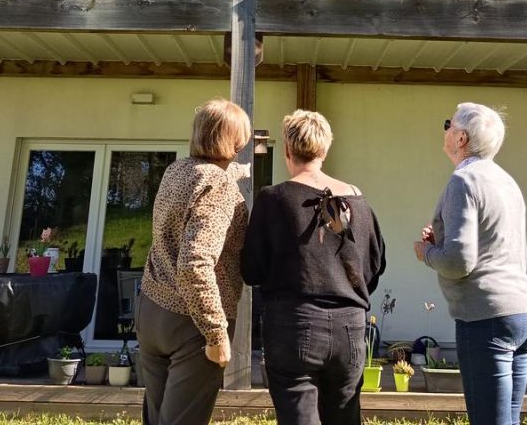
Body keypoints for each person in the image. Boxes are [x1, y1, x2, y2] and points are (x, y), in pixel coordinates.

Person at [243, 109, 386, 425]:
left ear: (287, 150)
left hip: (294, 324)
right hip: (351, 325)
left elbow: (251, 269)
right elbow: (375, 266)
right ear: (325, 149)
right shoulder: (359, 203)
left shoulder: (273, 199)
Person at [413, 103, 527, 425]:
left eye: (448, 125)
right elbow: (504, 247)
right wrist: (439, 241)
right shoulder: (507, 182)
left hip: (486, 315)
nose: (444, 130)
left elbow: (458, 262)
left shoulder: (464, 181)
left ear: (461, 138)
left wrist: (424, 253)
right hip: (523, 310)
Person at [136, 98, 251, 425]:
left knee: (158, 418)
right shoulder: (218, 184)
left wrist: (240, 172)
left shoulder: (177, 171)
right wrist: (215, 333)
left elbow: (204, 186)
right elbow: (195, 263)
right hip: (191, 321)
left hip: (152, 312)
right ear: (233, 141)